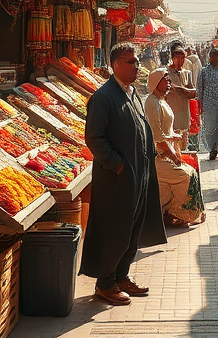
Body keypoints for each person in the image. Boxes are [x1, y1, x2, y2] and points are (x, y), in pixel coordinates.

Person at [81, 42, 166, 305]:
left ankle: (121, 276)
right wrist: (117, 165)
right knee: (114, 229)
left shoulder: (132, 94)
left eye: (137, 62)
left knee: (133, 228)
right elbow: (94, 138)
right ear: (115, 65)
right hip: (117, 178)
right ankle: (105, 283)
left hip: (138, 174)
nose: (136, 67)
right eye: (130, 62)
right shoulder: (103, 97)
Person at [143, 68, 206, 227]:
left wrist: (174, 136)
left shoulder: (161, 100)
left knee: (191, 172)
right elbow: (157, 137)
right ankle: (176, 213)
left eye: (169, 79)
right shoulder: (152, 102)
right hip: (158, 158)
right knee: (187, 176)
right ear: (157, 82)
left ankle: (176, 212)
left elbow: (165, 131)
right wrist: (174, 158)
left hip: (166, 154)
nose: (169, 82)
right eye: (166, 79)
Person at [196, 48, 218, 160]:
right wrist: (199, 106)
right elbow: (199, 89)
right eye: (212, 56)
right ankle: (212, 149)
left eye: (216, 56)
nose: (214, 58)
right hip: (209, 105)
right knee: (210, 128)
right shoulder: (204, 71)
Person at [166, 45, 197, 149]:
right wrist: (184, 91)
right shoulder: (166, 73)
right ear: (173, 59)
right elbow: (171, 88)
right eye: (177, 58)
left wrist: (184, 91)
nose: (180, 61)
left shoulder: (187, 73)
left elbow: (193, 92)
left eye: (182, 58)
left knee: (183, 144)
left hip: (184, 113)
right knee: (172, 142)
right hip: (171, 113)